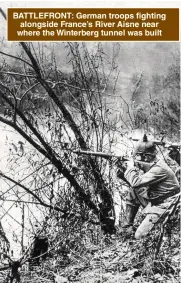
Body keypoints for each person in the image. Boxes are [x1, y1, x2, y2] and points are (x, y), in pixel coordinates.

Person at [117, 134, 180, 239]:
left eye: (137, 155)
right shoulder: (154, 163)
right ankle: (126, 228)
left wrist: (130, 168)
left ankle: (164, 227)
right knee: (134, 192)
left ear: (146, 156)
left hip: (169, 205)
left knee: (139, 235)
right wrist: (123, 172)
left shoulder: (158, 168)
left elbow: (136, 182)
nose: (135, 158)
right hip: (160, 200)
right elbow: (136, 185)